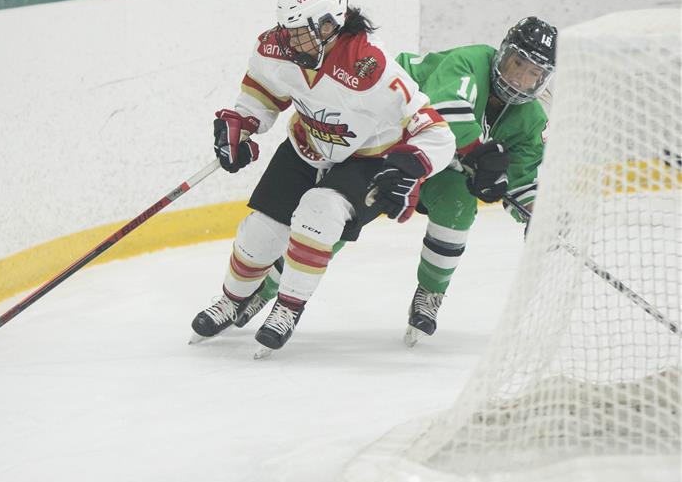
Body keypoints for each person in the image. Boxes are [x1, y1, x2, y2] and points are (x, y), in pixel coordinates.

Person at [229, 17, 558, 347]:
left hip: (440, 163)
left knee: (458, 207)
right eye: (517, 63)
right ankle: (266, 288)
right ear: (502, 53)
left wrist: (535, 213)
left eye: (533, 73)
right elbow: (445, 110)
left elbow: (521, 181)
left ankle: (429, 294)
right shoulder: (470, 60)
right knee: (337, 219)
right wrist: (477, 155)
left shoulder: (531, 122)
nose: (519, 78)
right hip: (393, 142)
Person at [189, 0, 456, 357]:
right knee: (259, 234)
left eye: (299, 32)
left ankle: (287, 307)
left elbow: (436, 132)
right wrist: (241, 123)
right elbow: (263, 92)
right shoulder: (276, 47)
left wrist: (411, 166)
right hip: (306, 145)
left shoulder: (372, 68)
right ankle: (232, 300)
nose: (287, 40)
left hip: (367, 161)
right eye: (287, 30)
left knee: (319, 214)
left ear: (330, 26)